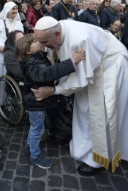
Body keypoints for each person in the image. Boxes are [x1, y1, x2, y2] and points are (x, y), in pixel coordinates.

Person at [32, 16, 128, 176]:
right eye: (40, 42)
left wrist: (53, 90)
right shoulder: (59, 31)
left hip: (109, 68)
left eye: (44, 42)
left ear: (56, 34)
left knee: (100, 114)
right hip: (94, 69)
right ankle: (83, 147)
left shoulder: (78, 40)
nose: (43, 47)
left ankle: (98, 159)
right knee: (83, 109)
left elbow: (79, 79)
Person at [15, 33, 85, 169]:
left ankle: (29, 147)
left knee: (35, 127)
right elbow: (48, 73)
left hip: (36, 102)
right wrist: (71, 62)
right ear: (28, 51)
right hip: (35, 103)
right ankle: (35, 156)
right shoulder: (32, 64)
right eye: (35, 41)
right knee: (38, 129)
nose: (40, 41)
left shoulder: (37, 58)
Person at [0, 2, 24, 104]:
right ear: (7, 10)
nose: (15, 11)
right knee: (1, 81)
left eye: (16, 9)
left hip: (14, 57)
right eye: (13, 9)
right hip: (2, 56)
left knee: (13, 82)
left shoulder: (19, 23)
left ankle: (11, 103)